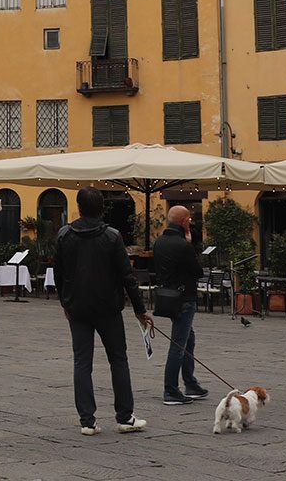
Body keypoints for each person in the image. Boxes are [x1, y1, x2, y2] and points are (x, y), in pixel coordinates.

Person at [53, 186, 153, 436]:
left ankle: (87, 421)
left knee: (82, 362)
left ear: (78, 207)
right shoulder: (112, 236)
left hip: (77, 307)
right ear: (101, 209)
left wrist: (64, 302)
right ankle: (125, 417)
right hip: (108, 308)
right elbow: (127, 276)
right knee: (118, 359)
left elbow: (58, 273)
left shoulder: (64, 234)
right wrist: (140, 310)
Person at [151, 205, 208, 405]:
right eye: (189, 220)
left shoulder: (159, 242)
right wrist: (190, 245)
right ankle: (171, 390)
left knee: (188, 339)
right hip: (185, 298)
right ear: (184, 222)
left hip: (168, 296)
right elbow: (197, 271)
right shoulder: (183, 246)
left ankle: (191, 383)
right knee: (178, 344)